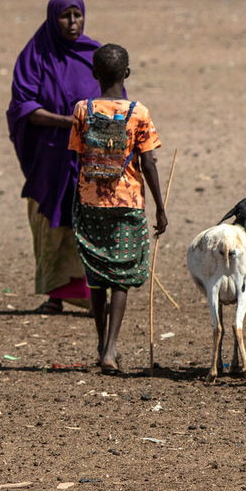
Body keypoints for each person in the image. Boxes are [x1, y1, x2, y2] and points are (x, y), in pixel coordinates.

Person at [67, 43, 167, 373]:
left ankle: (100, 344)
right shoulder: (139, 112)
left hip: (90, 201)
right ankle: (111, 349)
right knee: (120, 275)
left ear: (94, 73)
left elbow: (77, 156)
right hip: (127, 203)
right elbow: (148, 163)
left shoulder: (82, 109)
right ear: (127, 73)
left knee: (97, 273)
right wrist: (160, 207)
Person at [6, 0, 101, 313]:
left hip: (89, 157)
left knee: (88, 221)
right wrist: (67, 122)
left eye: (77, 15)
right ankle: (56, 295)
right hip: (49, 157)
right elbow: (24, 106)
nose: (73, 22)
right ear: (52, 18)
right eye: (65, 16)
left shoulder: (94, 54)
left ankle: (93, 295)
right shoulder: (35, 56)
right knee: (51, 219)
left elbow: (115, 97)